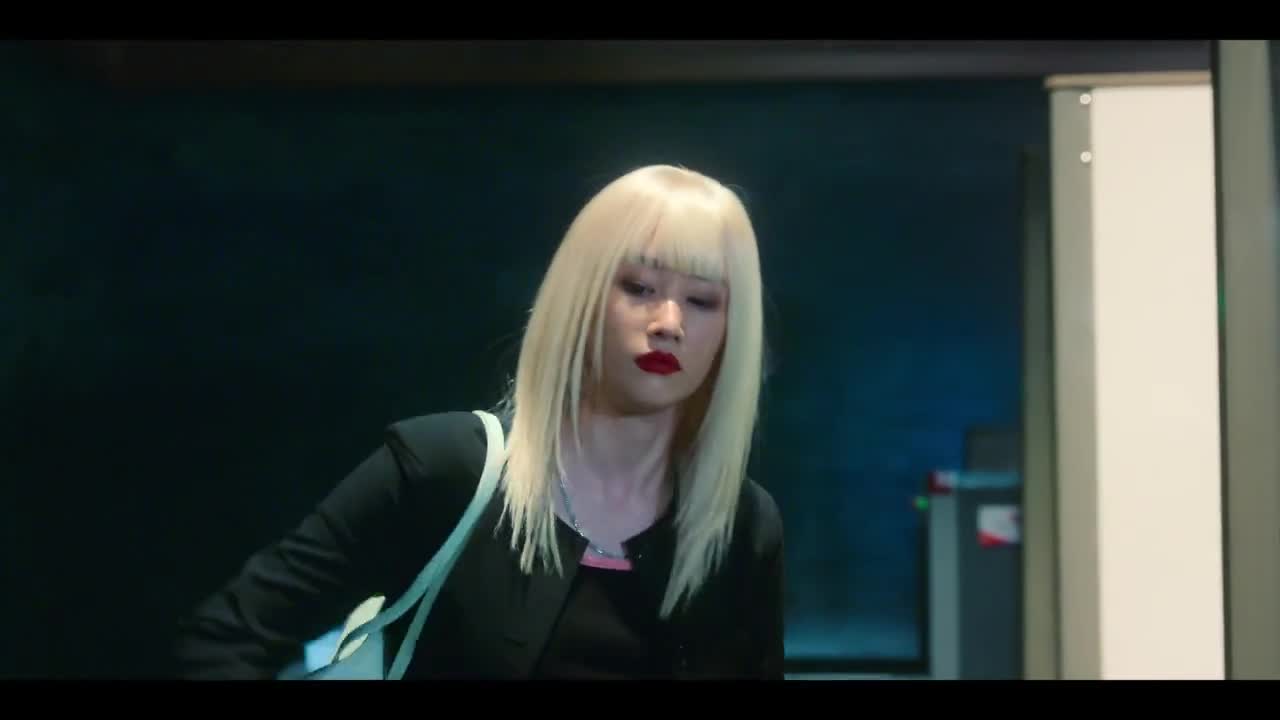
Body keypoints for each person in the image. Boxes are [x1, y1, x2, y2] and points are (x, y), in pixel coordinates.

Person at [172, 164, 785, 679]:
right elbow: (224, 640)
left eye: (702, 299)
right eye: (640, 286)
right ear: (582, 296)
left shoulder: (741, 527)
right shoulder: (442, 470)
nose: (669, 322)